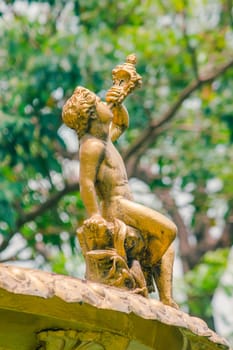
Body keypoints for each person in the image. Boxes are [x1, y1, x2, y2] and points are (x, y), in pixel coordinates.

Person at [62, 86, 178, 308]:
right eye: (100, 102)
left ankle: (166, 300)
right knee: (169, 231)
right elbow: (86, 182)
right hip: (115, 206)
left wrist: (121, 105)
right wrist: (94, 214)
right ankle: (143, 264)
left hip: (127, 204)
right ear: (92, 114)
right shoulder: (92, 146)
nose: (107, 104)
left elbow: (122, 124)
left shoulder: (105, 139)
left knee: (168, 248)